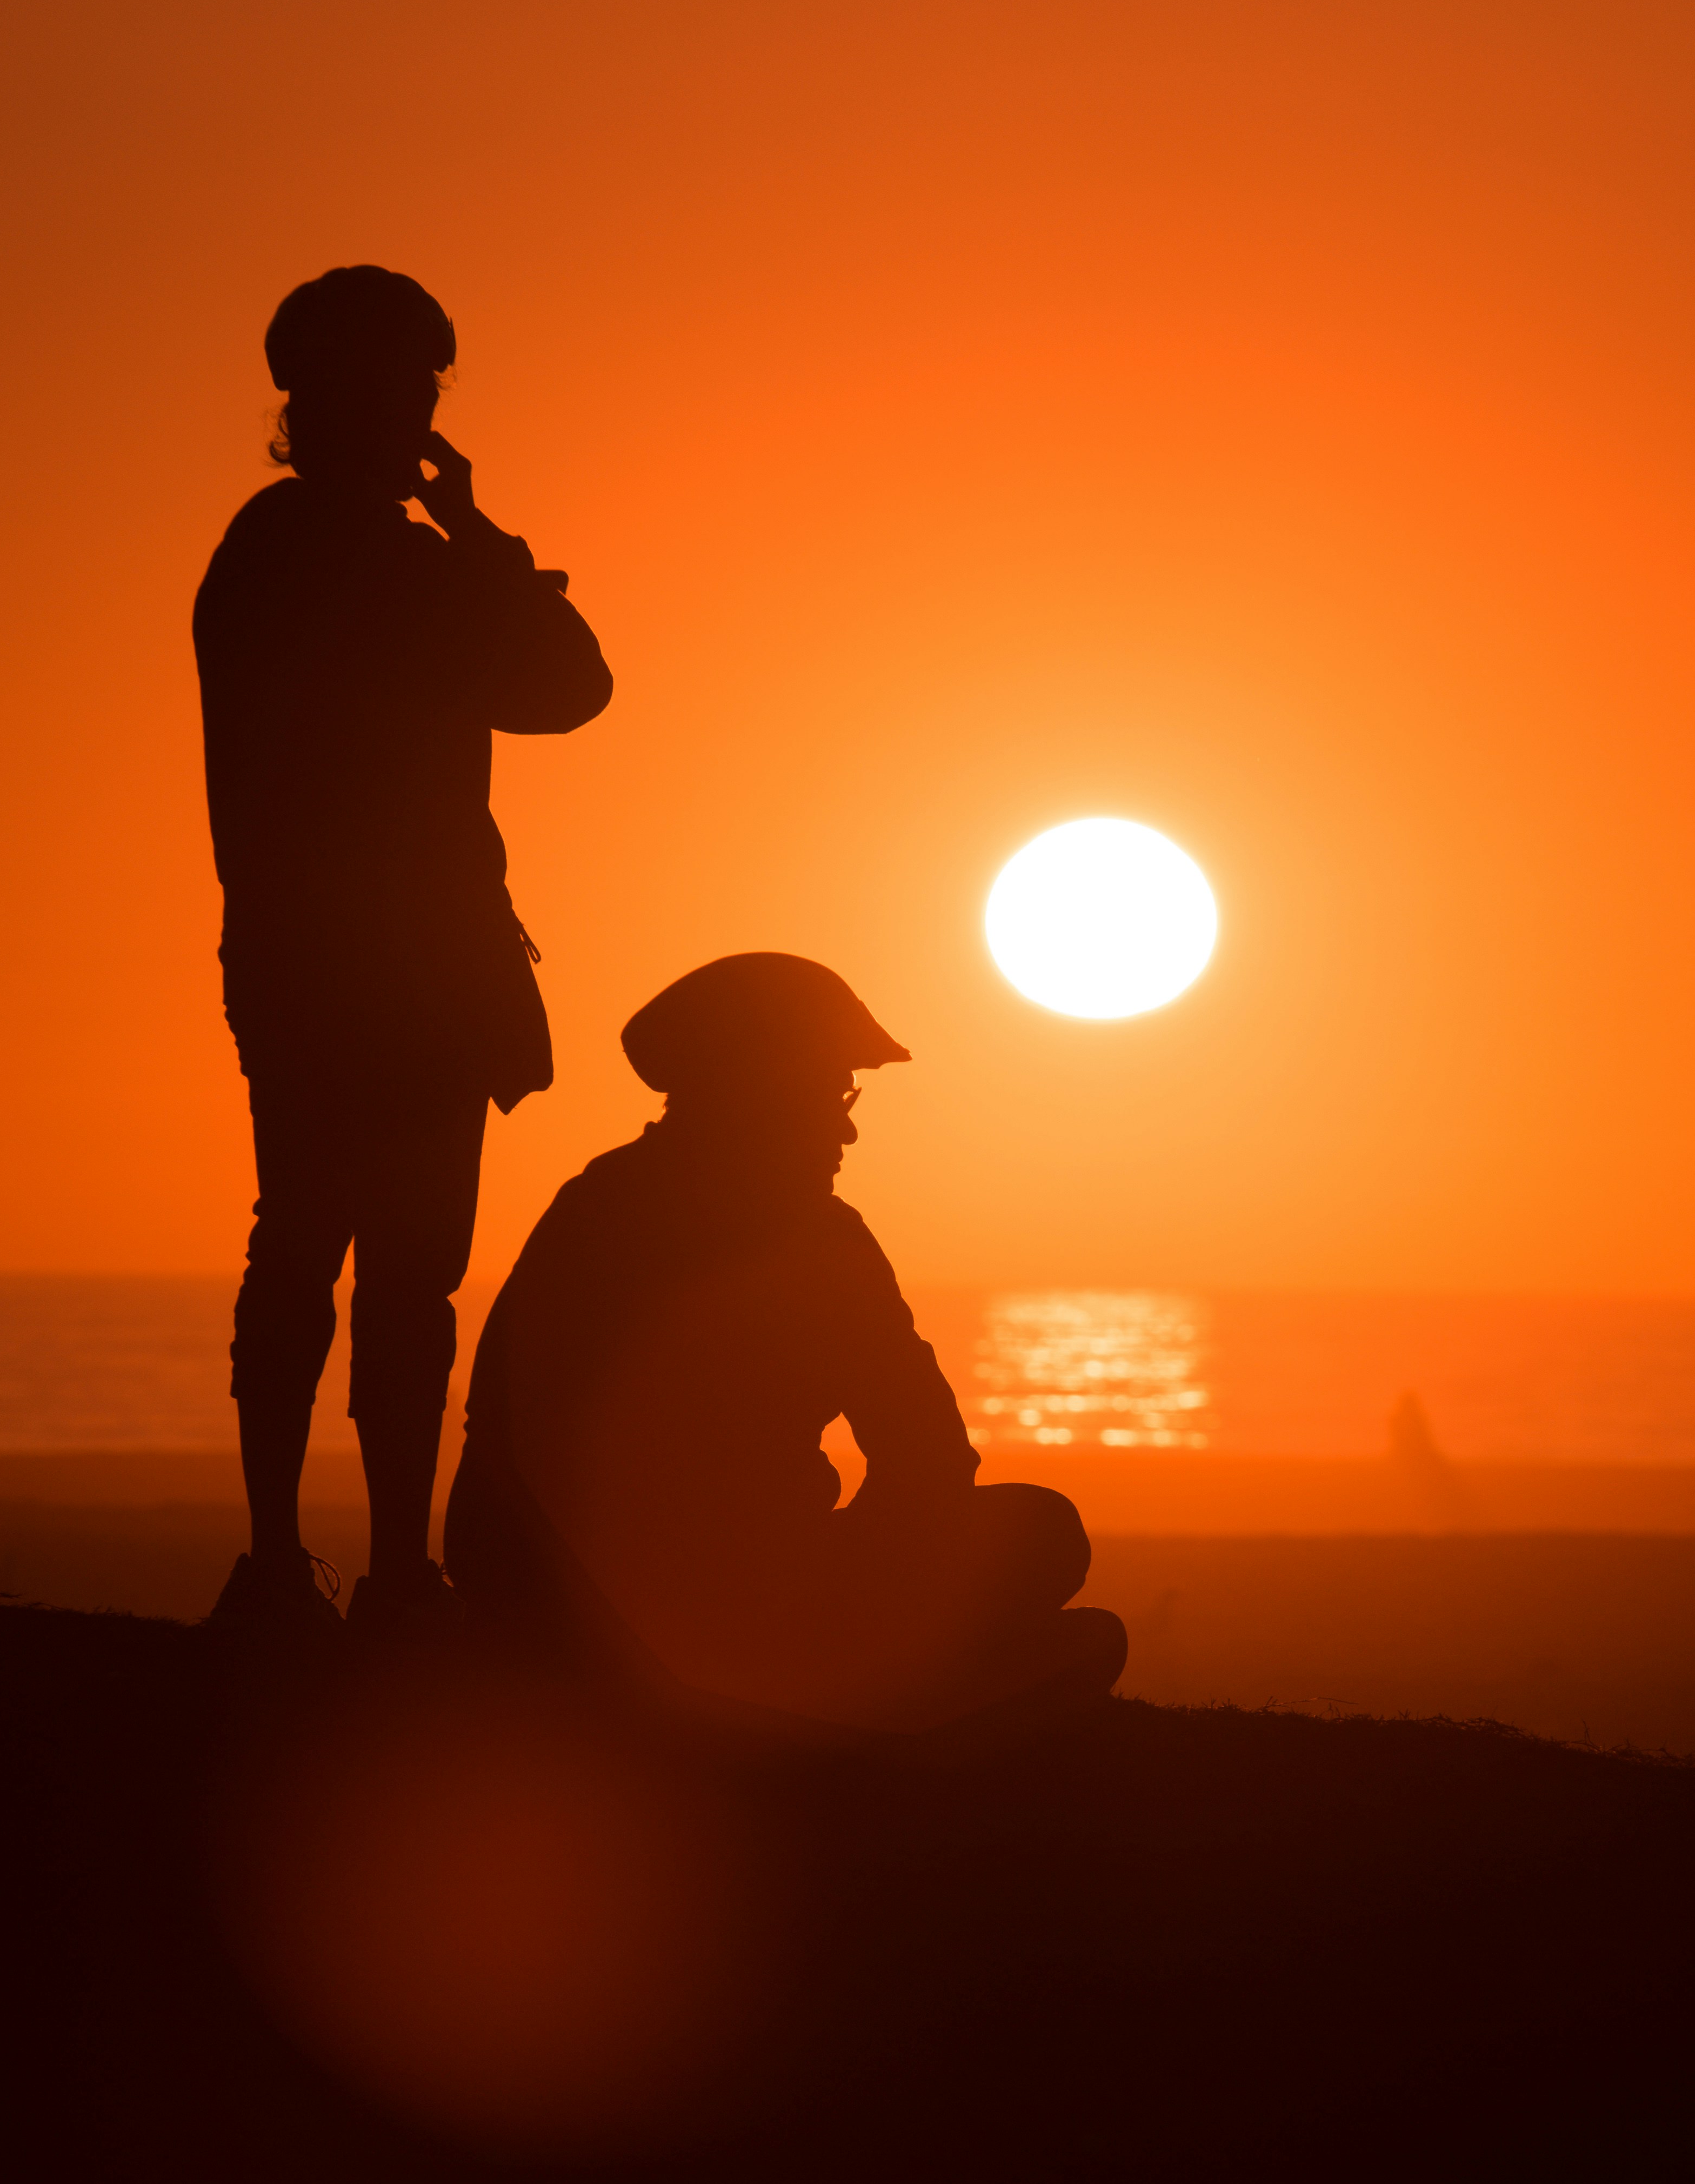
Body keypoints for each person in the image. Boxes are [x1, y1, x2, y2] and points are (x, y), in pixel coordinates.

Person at [195, 265, 612, 1639]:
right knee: (359, 1263)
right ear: (333, 402)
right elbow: (568, 685)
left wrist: (470, 544)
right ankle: (352, 1570)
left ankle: (334, 1566)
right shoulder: (350, 563)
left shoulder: (274, 554)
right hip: (383, 971)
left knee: (340, 1258)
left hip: (358, 968)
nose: (419, 403)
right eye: (405, 383)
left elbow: (560, 689)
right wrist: (480, 538)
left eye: (425, 382)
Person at [445, 953, 1128, 1729]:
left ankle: (821, 1709)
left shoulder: (602, 1208)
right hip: (629, 1609)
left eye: (847, 1093)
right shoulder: (779, 1236)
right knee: (1049, 1559)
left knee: (1041, 1532)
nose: (847, 1126)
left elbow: (928, 1453)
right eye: (826, 1091)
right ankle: (847, 1719)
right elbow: (927, 1458)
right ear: (754, 1091)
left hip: (598, 1607)